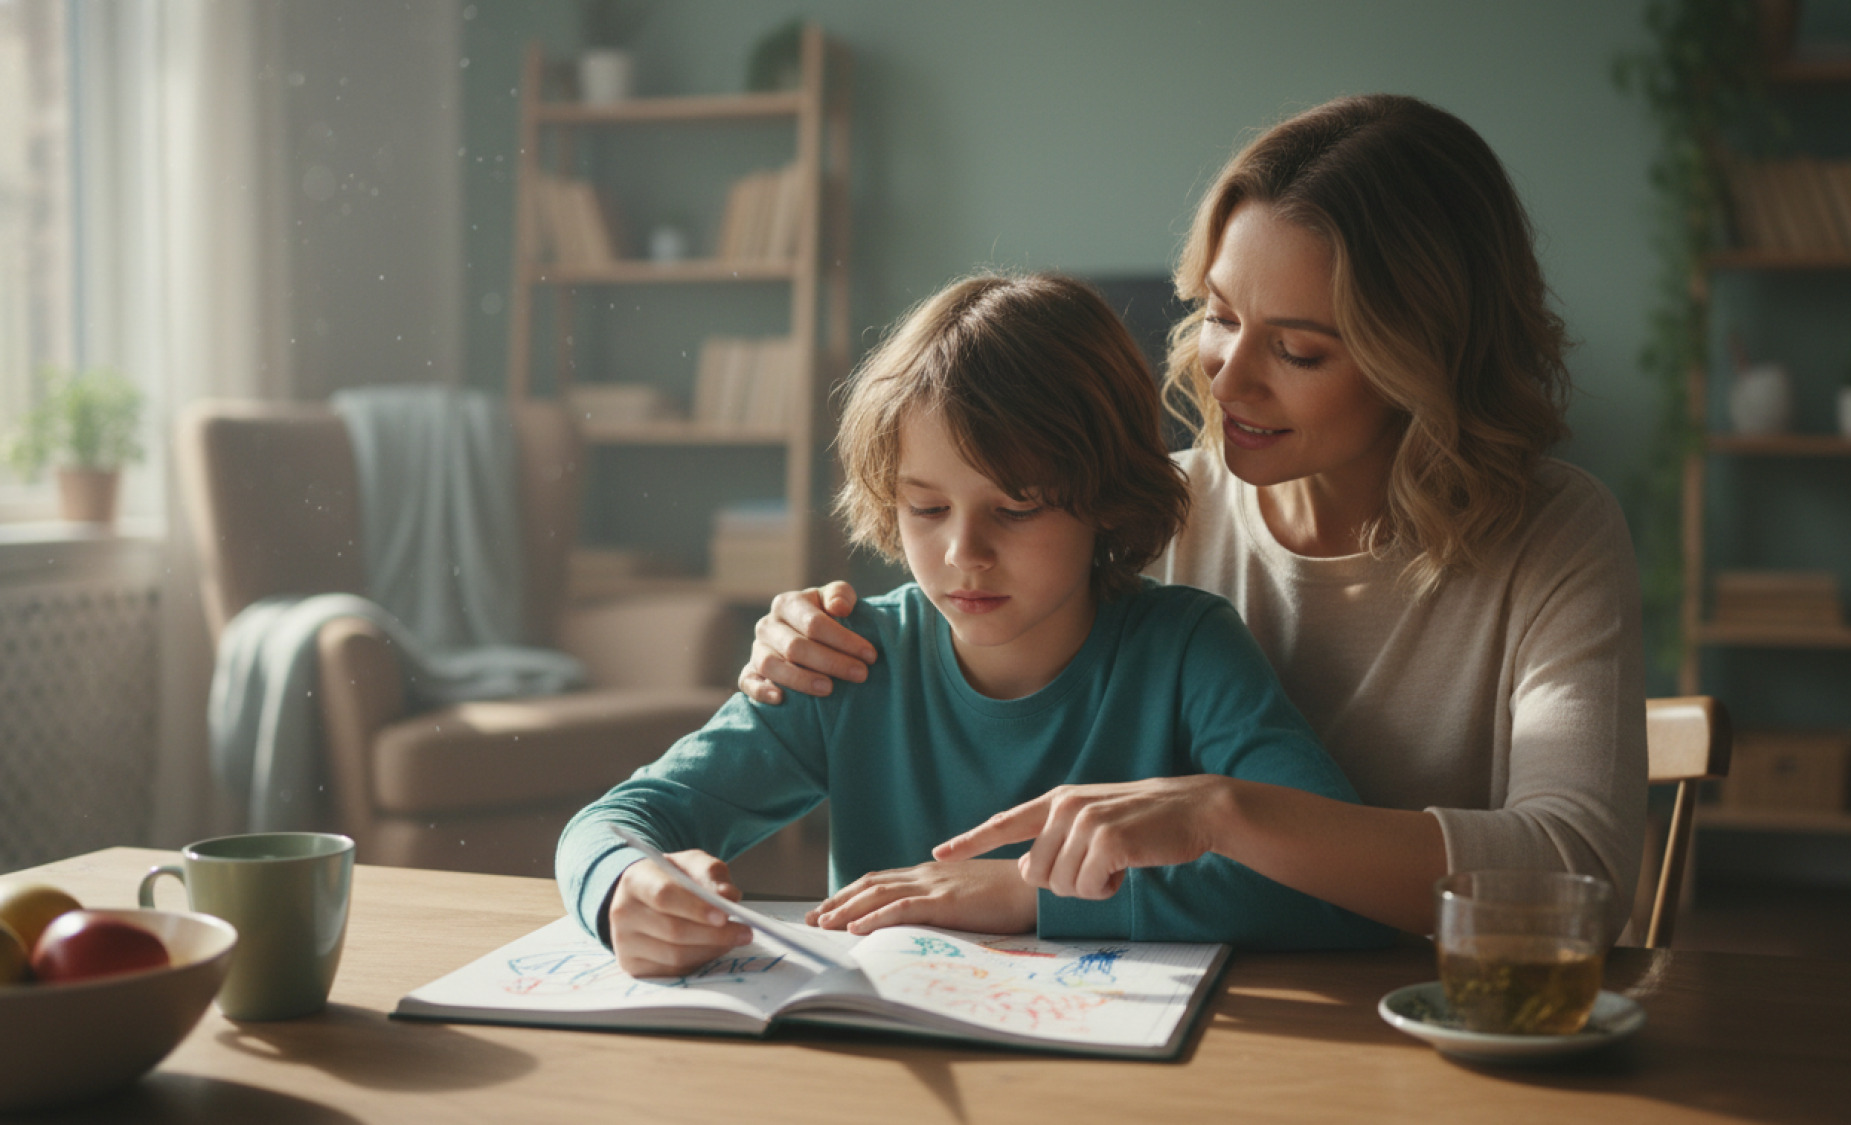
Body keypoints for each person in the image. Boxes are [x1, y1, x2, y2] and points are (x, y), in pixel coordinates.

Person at [737, 94, 1649, 938]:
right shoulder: (1141, 506)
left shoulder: (1552, 534)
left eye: (1296, 349)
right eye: (1218, 314)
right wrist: (810, 645)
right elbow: (970, 637)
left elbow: (1581, 876)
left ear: (1428, 360)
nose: (1228, 374)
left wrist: (1225, 813)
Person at [558, 272, 1391, 978]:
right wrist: (622, 886)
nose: (965, 552)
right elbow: (616, 819)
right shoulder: (847, 659)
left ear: (1104, 499)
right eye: (926, 506)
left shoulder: (1187, 649)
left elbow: (1337, 886)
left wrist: (1029, 894)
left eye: (1017, 507)